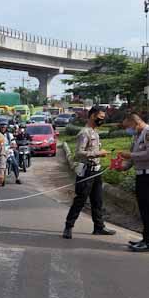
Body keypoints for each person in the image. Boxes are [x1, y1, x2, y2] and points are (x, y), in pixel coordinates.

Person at [62, 107, 116, 239]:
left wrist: (100, 153)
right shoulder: (84, 133)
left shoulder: (94, 132)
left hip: (96, 172)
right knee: (80, 200)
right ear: (92, 116)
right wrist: (98, 153)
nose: (101, 120)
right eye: (100, 118)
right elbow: (79, 153)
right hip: (87, 172)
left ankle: (99, 227)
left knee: (97, 201)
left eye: (103, 118)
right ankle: (68, 227)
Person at [119, 112, 149, 251]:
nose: (128, 129)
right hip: (140, 176)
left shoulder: (147, 133)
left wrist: (130, 155)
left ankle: (148, 243)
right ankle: (145, 239)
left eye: (128, 126)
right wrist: (123, 167)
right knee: (143, 210)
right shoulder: (137, 135)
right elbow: (133, 158)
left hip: (147, 177)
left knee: (147, 210)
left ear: (135, 122)